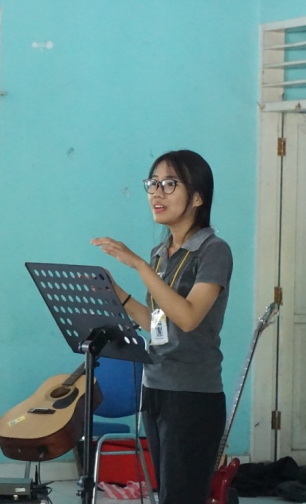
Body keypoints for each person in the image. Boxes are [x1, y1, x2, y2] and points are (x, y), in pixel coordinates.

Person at [91, 150, 232, 504]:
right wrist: (116, 292)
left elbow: (188, 317)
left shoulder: (214, 251)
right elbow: (158, 324)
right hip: (155, 385)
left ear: (197, 197)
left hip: (192, 394)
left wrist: (139, 266)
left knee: (182, 496)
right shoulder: (161, 252)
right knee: (166, 493)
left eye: (169, 184)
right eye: (153, 184)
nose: (157, 193)